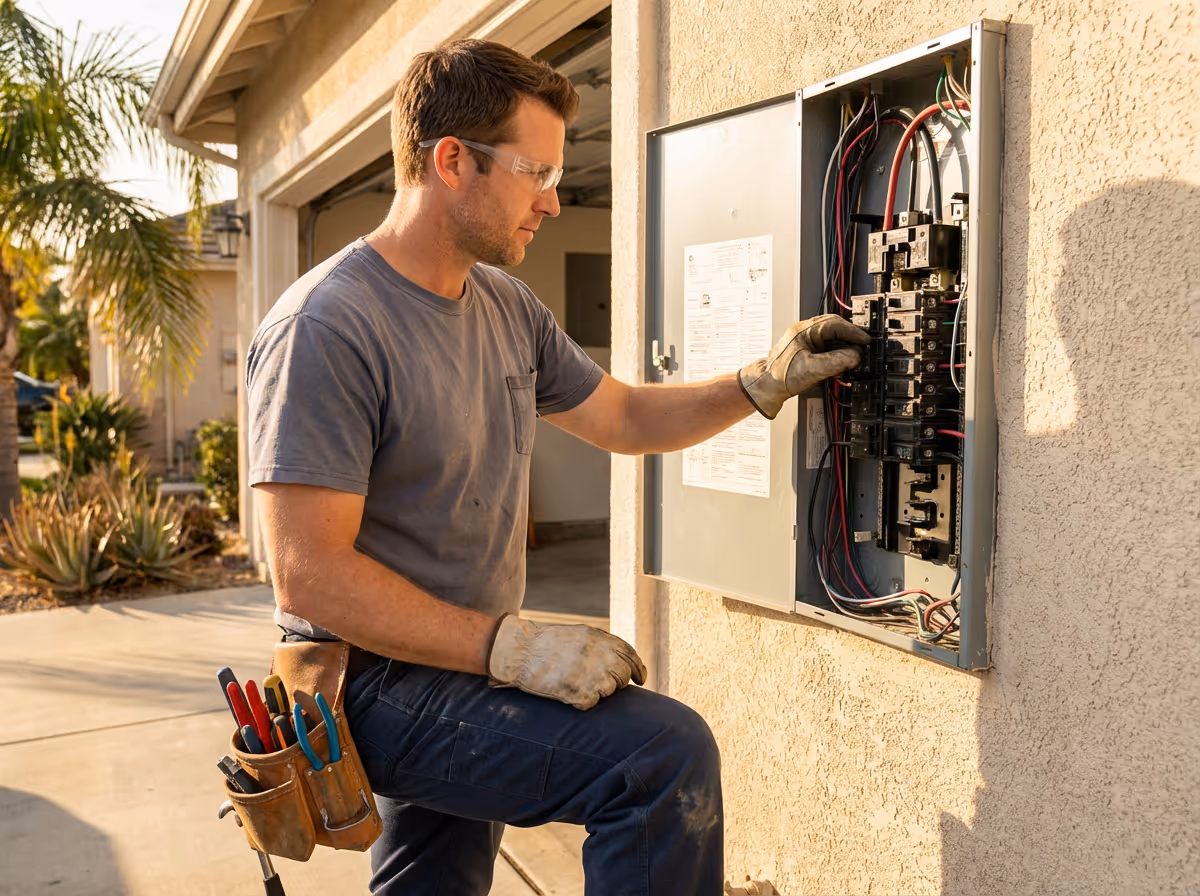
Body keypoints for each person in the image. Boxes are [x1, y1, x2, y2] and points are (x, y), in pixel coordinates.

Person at [246, 38, 869, 896]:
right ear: (452, 160)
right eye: (534, 171)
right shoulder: (327, 325)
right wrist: (507, 647)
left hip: (461, 657)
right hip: (369, 682)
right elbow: (309, 577)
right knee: (657, 760)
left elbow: (619, 415)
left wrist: (758, 383)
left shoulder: (503, 304)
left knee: (438, 882)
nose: (552, 197)